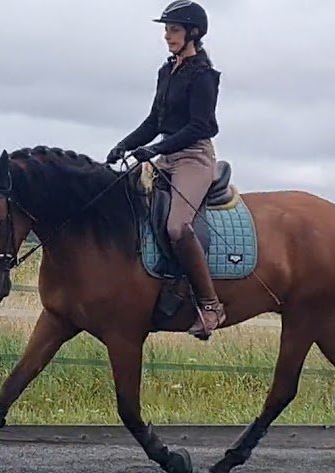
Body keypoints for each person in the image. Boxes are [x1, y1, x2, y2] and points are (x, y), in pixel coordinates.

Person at [106, 0, 225, 340]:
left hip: (193, 157)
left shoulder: (204, 76)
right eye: (166, 30)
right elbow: (153, 122)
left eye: (173, 30)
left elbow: (199, 126)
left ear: (193, 33)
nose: (167, 36)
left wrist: (155, 149)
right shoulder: (167, 70)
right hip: (167, 155)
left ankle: (211, 304)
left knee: (177, 226)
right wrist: (125, 145)